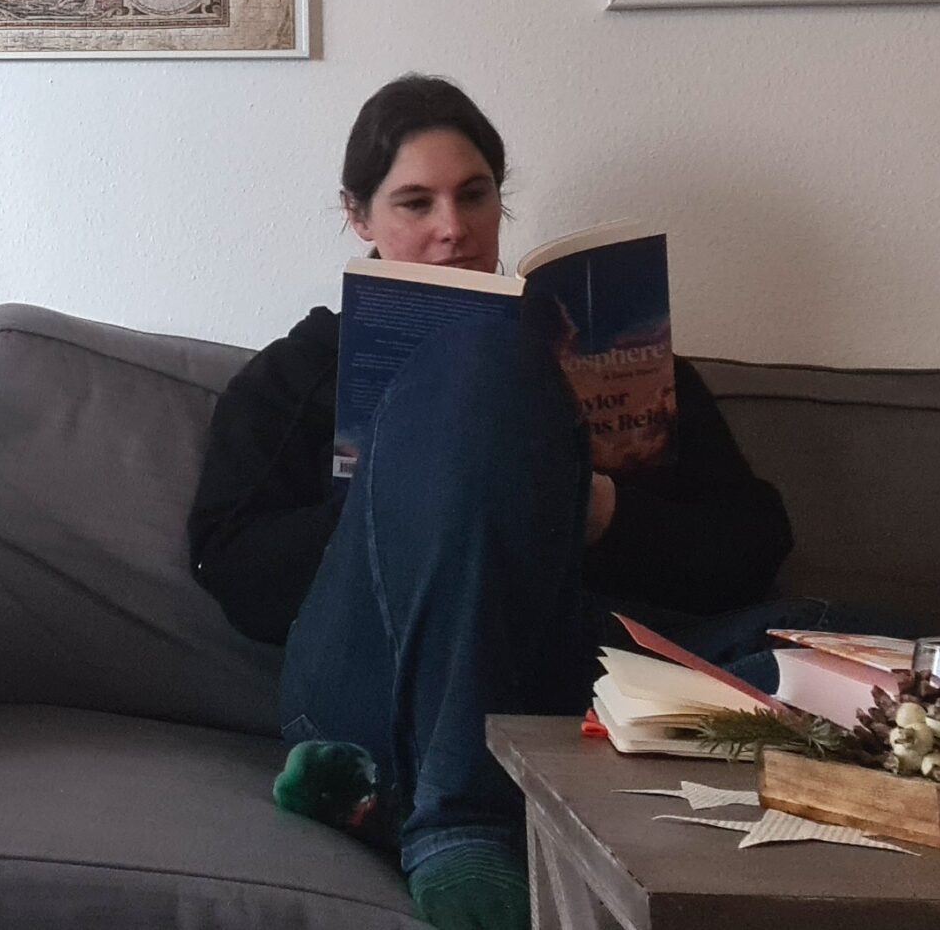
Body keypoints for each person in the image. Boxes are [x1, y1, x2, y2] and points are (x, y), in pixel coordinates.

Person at [189, 75, 865, 930]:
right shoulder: (297, 375)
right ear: (358, 216)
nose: (453, 227)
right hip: (369, 674)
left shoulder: (619, 362)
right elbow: (233, 572)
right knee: (483, 360)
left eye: (475, 196)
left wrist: (601, 513)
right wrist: (409, 501)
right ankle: (459, 822)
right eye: (415, 203)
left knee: (865, 656)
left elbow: (752, 548)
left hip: (572, 669)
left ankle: (377, 797)